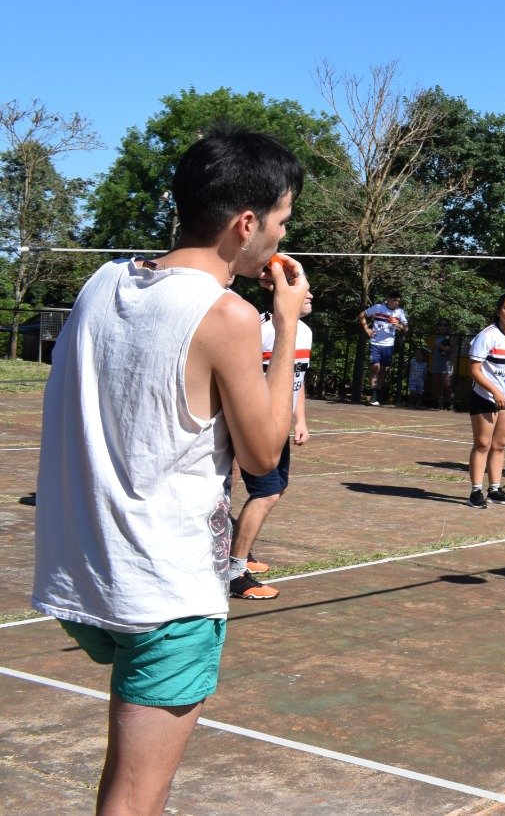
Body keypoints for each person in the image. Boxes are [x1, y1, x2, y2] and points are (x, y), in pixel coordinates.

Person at [31, 124, 309, 815]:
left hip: (84, 571)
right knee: (132, 799)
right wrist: (285, 324)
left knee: (126, 789)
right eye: (280, 220)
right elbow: (264, 454)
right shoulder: (229, 317)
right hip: (164, 590)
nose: (279, 237)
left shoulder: (101, 284)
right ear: (245, 224)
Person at [228, 286, 315, 601]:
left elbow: (296, 379)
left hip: (277, 425)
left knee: (274, 489)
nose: (310, 296)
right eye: (304, 291)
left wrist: (299, 419)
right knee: (265, 492)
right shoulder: (258, 331)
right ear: (280, 297)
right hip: (255, 425)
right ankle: (235, 573)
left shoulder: (302, 333)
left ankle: (238, 555)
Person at [464, 294, 505, 508]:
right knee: (483, 444)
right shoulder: (487, 336)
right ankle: (476, 492)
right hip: (484, 396)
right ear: (498, 311)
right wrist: (494, 390)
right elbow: (474, 370)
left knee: (500, 445)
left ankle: (494, 489)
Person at [359, 291, 408, 405]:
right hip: (375, 342)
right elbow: (362, 315)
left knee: (382, 370)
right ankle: (373, 395)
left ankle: (376, 395)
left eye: (398, 301)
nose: (396, 303)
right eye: (394, 300)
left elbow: (406, 328)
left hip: (389, 344)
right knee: (375, 367)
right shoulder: (378, 307)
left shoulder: (399, 312)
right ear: (388, 299)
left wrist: (398, 325)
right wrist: (367, 329)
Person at [428, 326, 456, 409]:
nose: (442, 327)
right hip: (436, 362)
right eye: (441, 325)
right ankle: (440, 406)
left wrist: (443, 347)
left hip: (446, 364)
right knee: (437, 385)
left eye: (445, 325)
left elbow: (452, 350)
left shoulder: (450, 338)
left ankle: (450, 405)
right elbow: (436, 349)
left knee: (447, 385)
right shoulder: (437, 337)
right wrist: (431, 351)